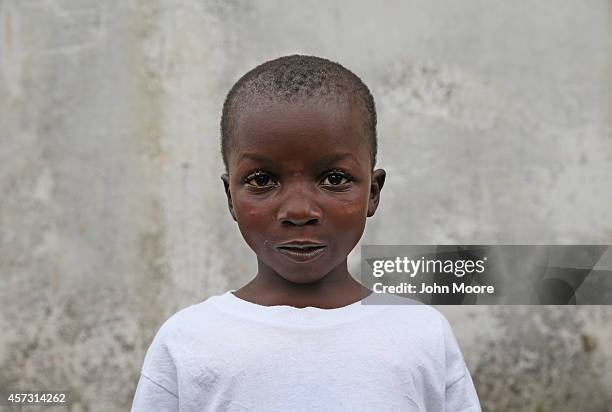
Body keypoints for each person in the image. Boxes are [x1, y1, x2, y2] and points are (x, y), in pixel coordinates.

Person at [131, 55, 481, 411]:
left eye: (334, 179)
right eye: (263, 180)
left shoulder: (421, 335)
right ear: (230, 198)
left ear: (373, 192)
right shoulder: (188, 342)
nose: (299, 211)